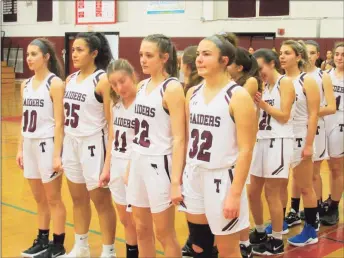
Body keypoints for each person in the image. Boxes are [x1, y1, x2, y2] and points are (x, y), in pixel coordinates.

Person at [180, 34, 256, 257]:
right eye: (198, 54)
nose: (199, 59)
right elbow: (186, 138)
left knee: (228, 249)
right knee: (199, 245)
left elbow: (246, 149)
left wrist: (234, 193)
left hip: (222, 178)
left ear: (224, 61)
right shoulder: (192, 93)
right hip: (194, 173)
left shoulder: (238, 96)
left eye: (206, 54)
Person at [126, 34, 184, 258]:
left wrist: (176, 181)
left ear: (164, 57)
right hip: (139, 160)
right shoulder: (141, 86)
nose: (143, 59)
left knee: (164, 233)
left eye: (149, 55)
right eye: (141, 54)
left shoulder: (172, 88)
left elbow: (180, 138)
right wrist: (131, 165)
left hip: (160, 164)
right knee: (141, 229)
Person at [62, 32, 116, 258]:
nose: (74, 54)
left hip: (94, 144)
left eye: (80, 50)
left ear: (94, 53)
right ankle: (81, 246)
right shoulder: (70, 79)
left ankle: (108, 251)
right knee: (77, 199)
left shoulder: (102, 79)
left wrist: (109, 160)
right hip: (71, 141)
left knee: (101, 202)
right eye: (73, 50)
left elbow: (112, 123)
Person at [16, 38, 67, 258]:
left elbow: (59, 122)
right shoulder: (24, 85)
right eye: (28, 54)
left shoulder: (55, 83)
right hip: (29, 144)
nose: (29, 58)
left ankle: (58, 244)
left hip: (47, 144)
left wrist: (57, 154)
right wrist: (20, 148)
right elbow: (23, 119)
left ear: (46, 57)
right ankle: (42, 239)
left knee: (54, 198)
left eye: (34, 54)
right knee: (39, 199)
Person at [247, 49, 295, 255]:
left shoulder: (285, 83)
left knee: (272, 194)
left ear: (272, 63)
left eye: (261, 68)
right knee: (252, 191)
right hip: (260, 140)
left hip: (279, 140)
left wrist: (263, 104)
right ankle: (259, 232)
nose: (259, 73)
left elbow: (284, 116)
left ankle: (276, 240)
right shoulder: (263, 86)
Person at [286, 40, 336, 228]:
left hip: (315, 128)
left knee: (312, 174)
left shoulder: (322, 76)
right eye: (306, 52)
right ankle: (294, 210)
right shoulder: (290, 77)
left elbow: (331, 107)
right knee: (296, 173)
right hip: (294, 129)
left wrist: (309, 112)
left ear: (318, 55)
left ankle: (315, 211)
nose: (309, 55)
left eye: (313, 52)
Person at [279, 40, 320, 247]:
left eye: (287, 53)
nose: (282, 56)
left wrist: (310, 143)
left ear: (299, 56)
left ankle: (311, 230)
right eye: (280, 53)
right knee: (279, 185)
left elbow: (314, 115)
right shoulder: (278, 80)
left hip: (301, 136)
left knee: (305, 187)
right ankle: (281, 223)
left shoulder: (308, 81)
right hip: (281, 137)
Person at [98, 59, 139, 258]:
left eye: (122, 81)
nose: (118, 87)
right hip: (117, 164)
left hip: (137, 166)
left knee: (139, 220)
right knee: (125, 219)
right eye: (114, 84)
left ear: (132, 75)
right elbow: (112, 138)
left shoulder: (144, 102)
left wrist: (132, 167)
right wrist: (107, 167)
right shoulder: (116, 105)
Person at [227, 46, 261, 258]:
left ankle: (245, 242)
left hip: (243, 145)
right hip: (229, 144)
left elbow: (231, 107)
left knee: (239, 196)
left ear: (239, 67)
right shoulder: (229, 85)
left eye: (229, 62)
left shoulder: (249, 82)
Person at [321, 42, 344, 226]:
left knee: (337, 166)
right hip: (324, 120)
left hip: (341, 121)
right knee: (323, 165)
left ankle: (335, 206)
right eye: (337, 54)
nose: (339, 57)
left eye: (343, 54)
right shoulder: (325, 75)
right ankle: (324, 201)